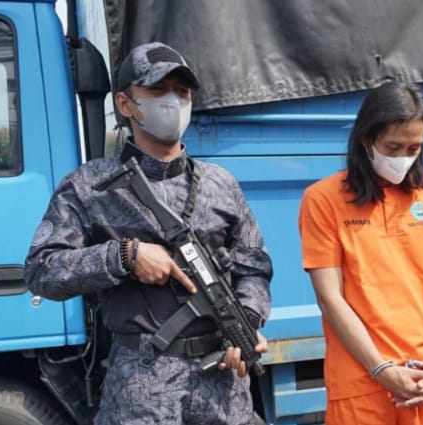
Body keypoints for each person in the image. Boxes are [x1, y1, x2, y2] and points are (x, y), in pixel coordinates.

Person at [25, 41, 273, 425]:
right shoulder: (90, 186)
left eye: (182, 92)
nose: (172, 101)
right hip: (142, 388)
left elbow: (253, 267)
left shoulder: (220, 184)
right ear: (125, 105)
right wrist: (123, 256)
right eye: (157, 90)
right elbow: (42, 271)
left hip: (223, 388)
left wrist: (247, 322)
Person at [298, 81, 423, 425]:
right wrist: (381, 368)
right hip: (362, 381)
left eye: (413, 148)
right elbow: (330, 298)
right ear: (366, 139)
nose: (403, 157)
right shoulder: (323, 199)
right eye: (393, 146)